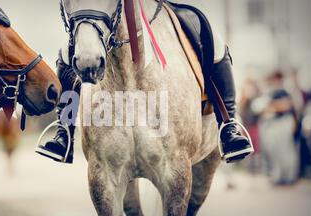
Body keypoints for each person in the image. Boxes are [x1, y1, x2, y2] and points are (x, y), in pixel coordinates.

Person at [37, 1, 253, 164]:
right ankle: (64, 128)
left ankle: (228, 124)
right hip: (111, 8)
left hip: (160, 6)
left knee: (213, 38)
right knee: (70, 50)